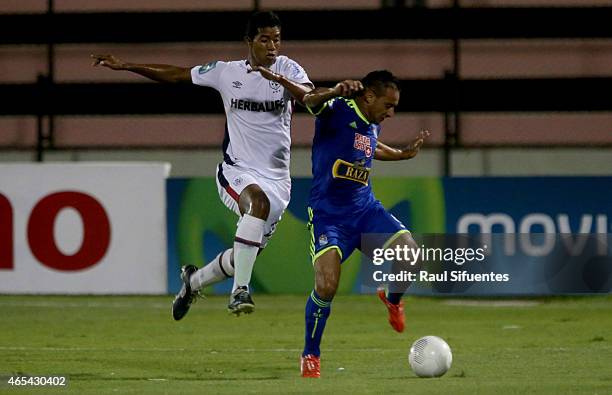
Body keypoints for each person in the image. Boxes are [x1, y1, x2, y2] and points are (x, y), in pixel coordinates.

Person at [92, 11, 354, 318]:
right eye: (264, 39)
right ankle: (240, 291)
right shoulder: (226, 72)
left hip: (278, 183)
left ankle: (193, 281)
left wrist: (332, 90)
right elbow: (177, 74)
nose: (272, 47)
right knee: (255, 206)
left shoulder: (289, 69)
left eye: (277, 40)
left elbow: (311, 99)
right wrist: (127, 65)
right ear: (249, 41)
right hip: (237, 171)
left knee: (243, 254)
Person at [297, 70, 429, 378]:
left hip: (365, 211)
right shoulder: (338, 109)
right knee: (327, 286)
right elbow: (309, 100)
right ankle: (311, 354)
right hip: (329, 215)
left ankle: (392, 298)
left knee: (410, 255)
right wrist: (333, 91)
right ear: (369, 96)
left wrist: (402, 154)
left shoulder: (371, 124)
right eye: (388, 104)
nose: (391, 112)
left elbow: (369, 147)